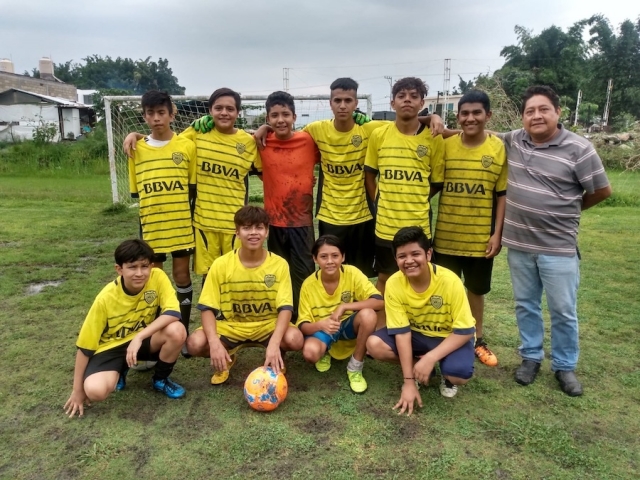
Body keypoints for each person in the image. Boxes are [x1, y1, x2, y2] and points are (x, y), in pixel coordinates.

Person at [500, 85, 611, 396]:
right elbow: (477, 131)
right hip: (520, 245)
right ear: (522, 117)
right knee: (526, 305)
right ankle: (530, 357)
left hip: (558, 247)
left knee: (563, 309)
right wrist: (434, 124)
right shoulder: (514, 140)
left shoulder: (579, 148)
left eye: (543, 109)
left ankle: (564, 366)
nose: (536, 116)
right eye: (530, 111)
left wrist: (570, 211)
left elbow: (602, 191)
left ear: (558, 112)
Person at [124, 88, 261, 277]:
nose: (224, 113)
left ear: (238, 112)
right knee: (210, 275)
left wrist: (265, 128)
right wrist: (136, 135)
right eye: (218, 108)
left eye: (230, 109)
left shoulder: (248, 142)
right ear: (210, 111)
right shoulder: (196, 134)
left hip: (234, 223)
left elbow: (265, 170)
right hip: (203, 222)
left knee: (235, 273)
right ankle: (208, 308)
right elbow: (166, 141)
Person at [63, 239, 187, 418]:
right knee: (95, 391)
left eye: (144, 266)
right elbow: (85, 347)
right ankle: (120, 369)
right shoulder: (105, 299)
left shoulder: (158, 277)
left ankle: (160, 380)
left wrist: (138, 337)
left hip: (142, 341)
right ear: (119, 269)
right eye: (132, 267)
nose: (139, 273)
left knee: (177, 330)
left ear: (152, 266)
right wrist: (77, 390)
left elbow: (173, 312)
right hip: (111, 348)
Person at [430, 90, 506, 367]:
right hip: (446, 237)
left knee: (475, 290)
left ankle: (477, 339)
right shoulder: (446, 145)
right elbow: (435, 185)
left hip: (480, 238)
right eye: (465, 113)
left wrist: (497, 233)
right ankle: (444, 338)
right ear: (458, 117)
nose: (470, 118)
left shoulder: (498, 147)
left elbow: (501, 194)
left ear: (488, 115)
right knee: (445, 291)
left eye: (476, 113)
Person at [186, 206, 304, 384]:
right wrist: (214, 343)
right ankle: (227, 357)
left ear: (266, 232)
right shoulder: (221, 264)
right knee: (195, 343)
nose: (253, 233)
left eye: (259, 227)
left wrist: (274, 343)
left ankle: (277, 355)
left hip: (267, 325)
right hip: (232, 325)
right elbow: (207, 308)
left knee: (295, 339)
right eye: (247, 228)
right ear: (237, 232)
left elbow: (285, 308)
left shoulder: (279, 264)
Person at [366, 227, 476, 414]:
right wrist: (408, 381)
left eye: (415, 254)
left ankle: (441, 372)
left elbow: (465, 331)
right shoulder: (394, 283)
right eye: (402, 256)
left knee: (459, 375)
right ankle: (419, 368)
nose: (409, 261)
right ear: (396, 259)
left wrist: (432, 357)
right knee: (374, 344)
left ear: (428, 254)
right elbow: (401, 333)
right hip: (416, 335)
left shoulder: (450, 281)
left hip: (448, 336)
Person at [364, 77, 445, 301]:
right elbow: (370, 174)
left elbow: (437, 181)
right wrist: (378, 201)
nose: (407, 100)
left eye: (413, 96)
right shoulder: (379, 135)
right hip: (386, 225)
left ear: (422, 103)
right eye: (401, 96)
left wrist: (417, 197)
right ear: (393, 103)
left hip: (418, 224)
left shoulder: (433, 138)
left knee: (420, 277)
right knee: (385, 277)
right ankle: (381, 329)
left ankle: (417, 324)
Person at [128, 90, 196, 347]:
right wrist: (132, 136)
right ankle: (154, 333)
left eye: (161, 112)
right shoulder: (136, 148)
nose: (156, 118)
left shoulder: (187, 146)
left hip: (180, 224)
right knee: (153, 278)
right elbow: (138, 192)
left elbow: (191, 188)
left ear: (171, 113)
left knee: (181, 276)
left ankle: (183, 333)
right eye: (150, 113)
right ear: (144, 115)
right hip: (152, 226)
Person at [253, 91, 320, 322]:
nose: (280, 120)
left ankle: (303, 319)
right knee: (278, 272)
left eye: (285, 114)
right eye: (274, 116)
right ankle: (283, 319)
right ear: (268, 118)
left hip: (301, 221)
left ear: (294, 116)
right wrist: (262, 130)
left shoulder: (309, 140)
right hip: (274, 221)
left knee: (303, 272)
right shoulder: (261, 142)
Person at [297, 235, 383, 393]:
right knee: (310, 353)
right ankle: (325, 351)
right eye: (323, 256)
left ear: (343, 257)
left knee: (368, 315)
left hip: (346, 327)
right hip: (322, 330)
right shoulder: (308, 284)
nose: (330, 261)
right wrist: (321, 325)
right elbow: (303, 326)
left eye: (335, 255)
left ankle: (355, 367)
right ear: (315, 259)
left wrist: (344, 306)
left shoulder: (352, 273)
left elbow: (379, 301)